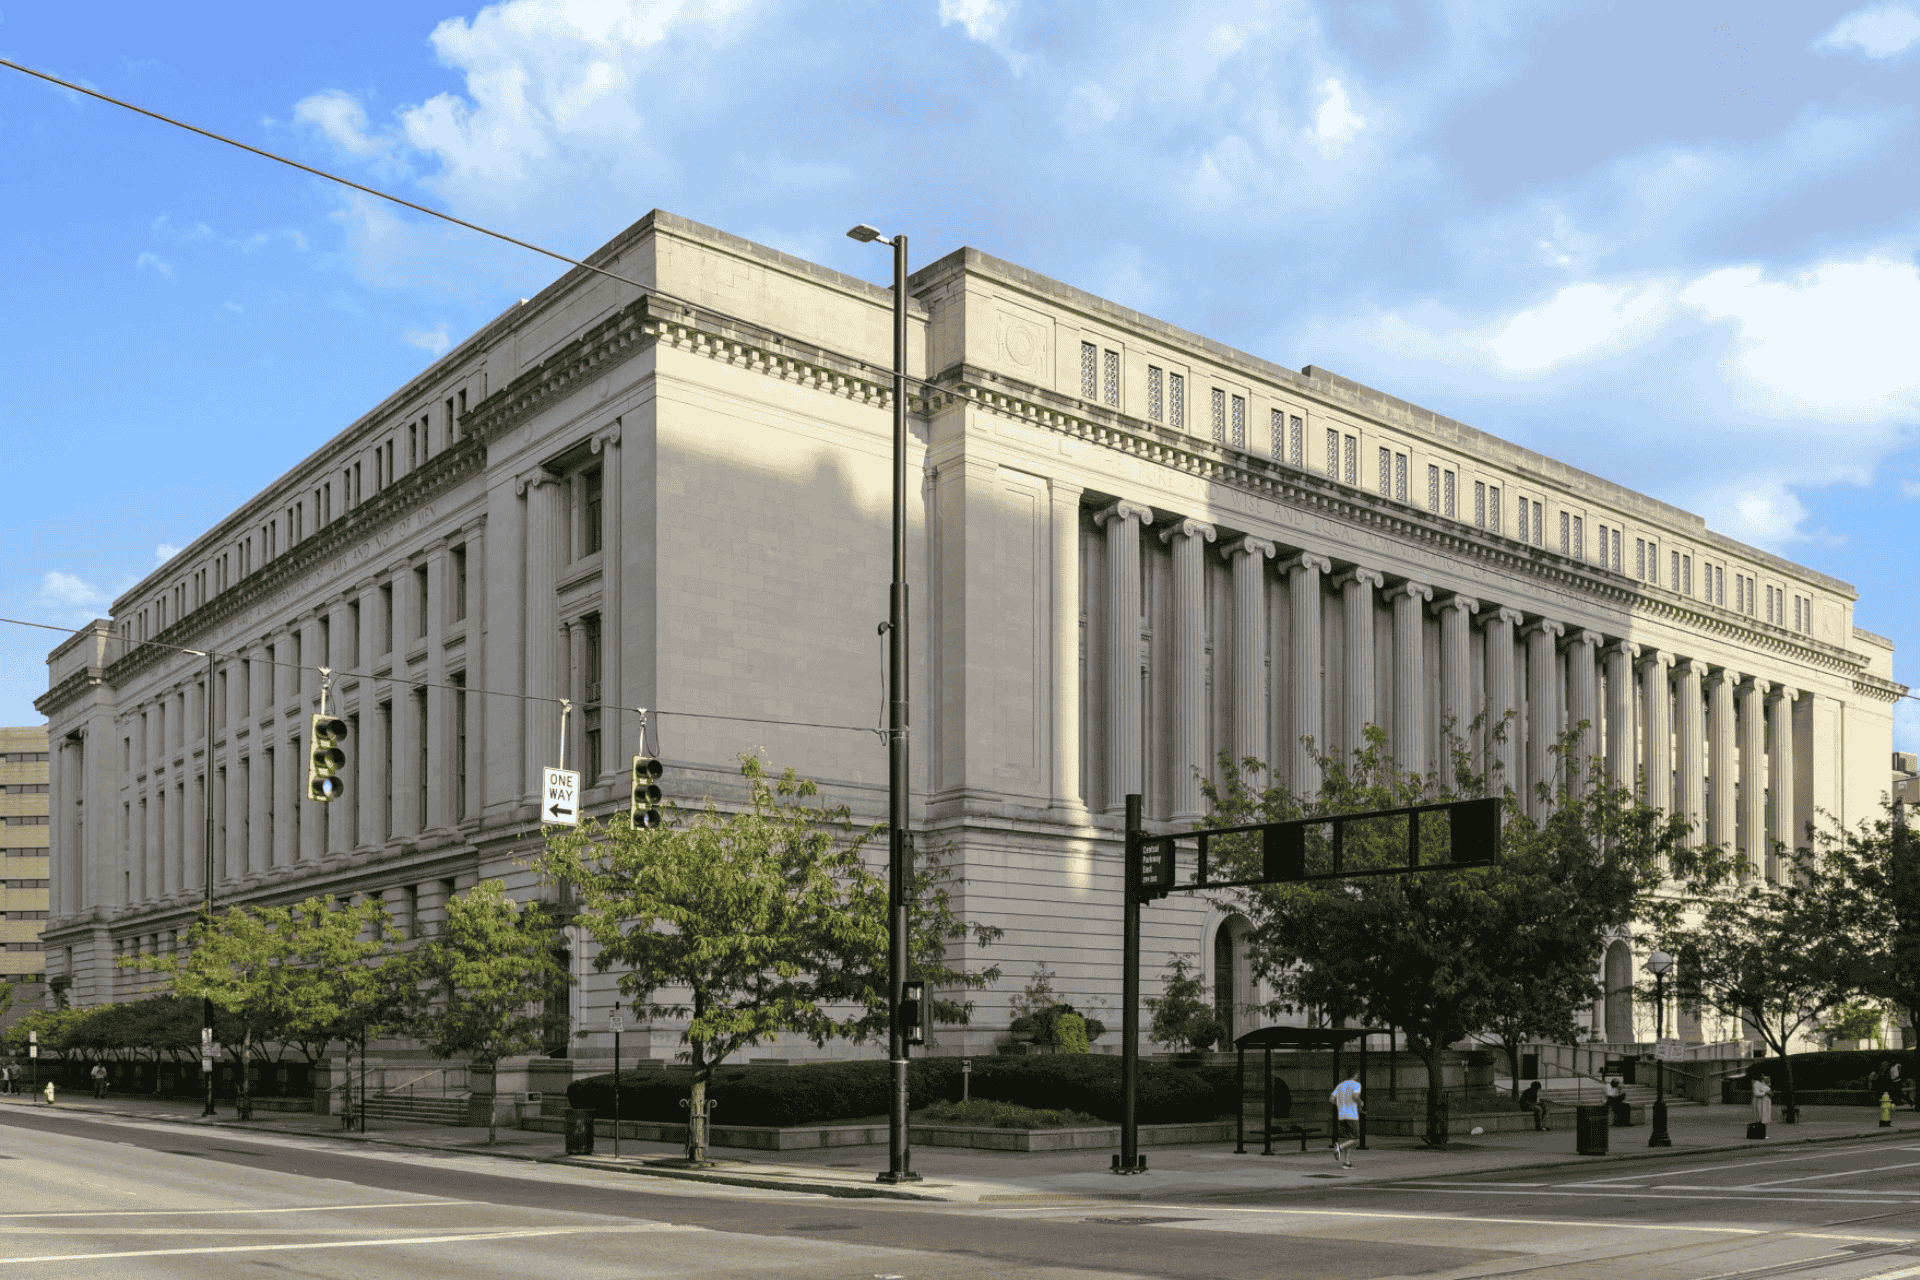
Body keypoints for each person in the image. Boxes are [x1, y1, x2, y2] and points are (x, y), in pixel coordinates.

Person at [1330, 1067, 1363, 1169]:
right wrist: (1360, 1102)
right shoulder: (1356, 1084)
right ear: (1356, 1075)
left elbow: (1331, 1099)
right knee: (1355, 1139)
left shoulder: (1340, 1085)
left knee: (1348, 1139)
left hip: (1342, 1116)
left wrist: (1340, 1105)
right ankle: (1339, 1147)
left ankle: (1347, 1163)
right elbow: (1356, 1096)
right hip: (1351, 1116)